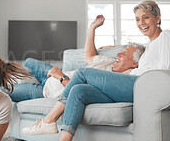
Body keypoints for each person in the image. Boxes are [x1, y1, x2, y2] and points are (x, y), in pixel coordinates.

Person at [24, 0, 170, 141]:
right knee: (79, 90)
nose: (141, 23)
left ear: (157, 18)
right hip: (134, 86)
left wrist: (134, 73)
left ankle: (49, 120)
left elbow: (164, 70)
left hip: (141, 87)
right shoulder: (149, 45)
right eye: (137, 19)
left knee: (83, 73)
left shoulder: (166, 36)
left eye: (146, 18)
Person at [9, 15, 146, 102]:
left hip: (47, 91)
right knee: (28, 61)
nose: (118, 55)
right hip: (52, 75)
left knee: (5, 91)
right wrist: (92, 28)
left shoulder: (113, 81)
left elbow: (78, 92)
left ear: (135, 64)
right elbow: (89, 56)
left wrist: (60, 76)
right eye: (120, 52)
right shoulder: (109, 62)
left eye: (124, 55)